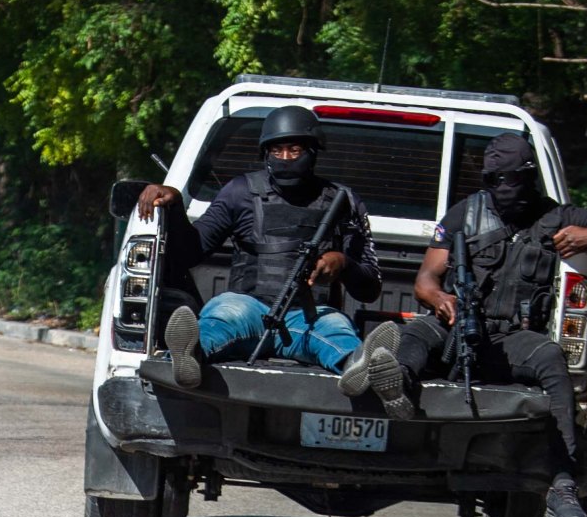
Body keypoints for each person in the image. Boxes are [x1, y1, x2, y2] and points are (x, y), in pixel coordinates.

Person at [397, 132, 587, 517]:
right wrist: (439, 300)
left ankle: (562, 483)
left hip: (511, 339)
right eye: (496, 181)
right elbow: (425, 281)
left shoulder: (561, 217)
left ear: (530, 178)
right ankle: (393, 383)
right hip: (457, 327)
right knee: (415, 335)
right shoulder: (464, 214)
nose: (504, 189)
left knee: (552, 359)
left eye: (513, 180)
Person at [136, 105, 403, 407]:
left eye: (295, 149)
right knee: (221, 318)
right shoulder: (240, 192)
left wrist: (343, 264)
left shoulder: (343, 201)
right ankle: (188, 357)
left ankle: (363, 366)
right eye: (277, 150)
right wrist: (173, 206)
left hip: (309, 316)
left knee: (336, 331)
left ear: (313, 151)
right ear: (265, 153)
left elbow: (370, 288)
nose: (286, 158)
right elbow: (191, 251)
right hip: (247, 308)